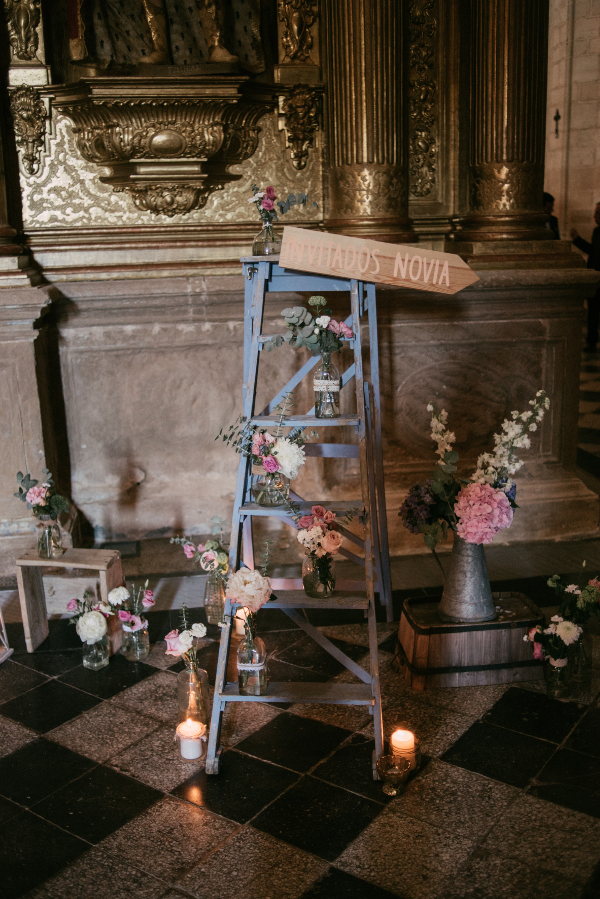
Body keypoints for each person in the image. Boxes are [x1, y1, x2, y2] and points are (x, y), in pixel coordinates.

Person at [571, 202, 600, 352]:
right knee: (593, 312)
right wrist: (577, 240)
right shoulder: (597, 231)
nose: (595, 216)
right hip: (595, 278)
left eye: (598, 213)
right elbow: (593, 251)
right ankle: (591, 341)